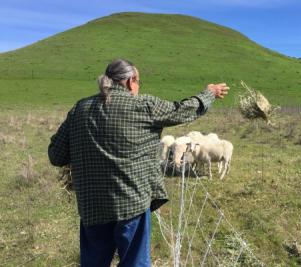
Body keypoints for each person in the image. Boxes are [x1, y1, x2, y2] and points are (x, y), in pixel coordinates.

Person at [48, 59, 229, 267]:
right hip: (132, 205)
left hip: (92, 208)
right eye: (139, 82)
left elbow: (56, 155)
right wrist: (209, 93)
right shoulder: (143, 105)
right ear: (130, 81)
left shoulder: (80, 109)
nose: (138, 87)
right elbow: (183, 110)